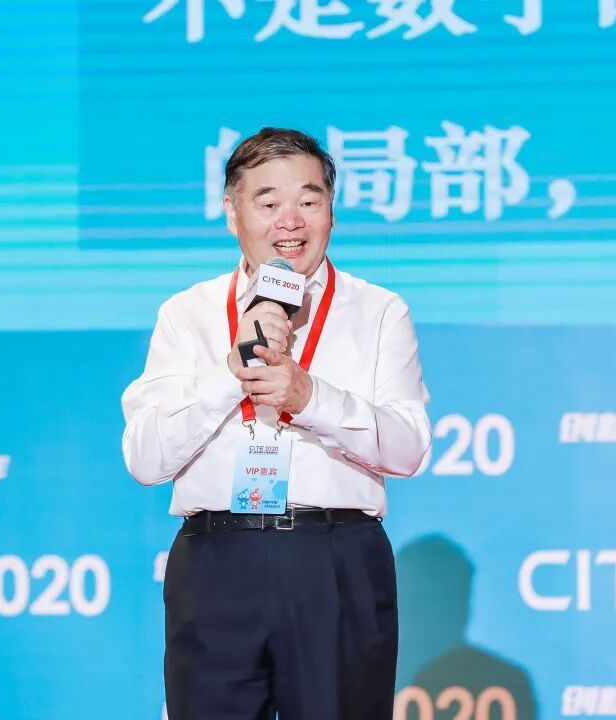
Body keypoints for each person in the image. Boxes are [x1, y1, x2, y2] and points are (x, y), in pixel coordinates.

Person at [121, 127, 432, 720]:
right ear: (232, 211)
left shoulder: (379, 311)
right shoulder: (187, 314)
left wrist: (310, 397)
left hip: (334, 559)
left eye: (309, 201)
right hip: (216, 559)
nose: (291, 222)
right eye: (268, 203)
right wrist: (230, 374)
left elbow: (409, 446)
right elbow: (144, 458)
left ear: (331, 210)